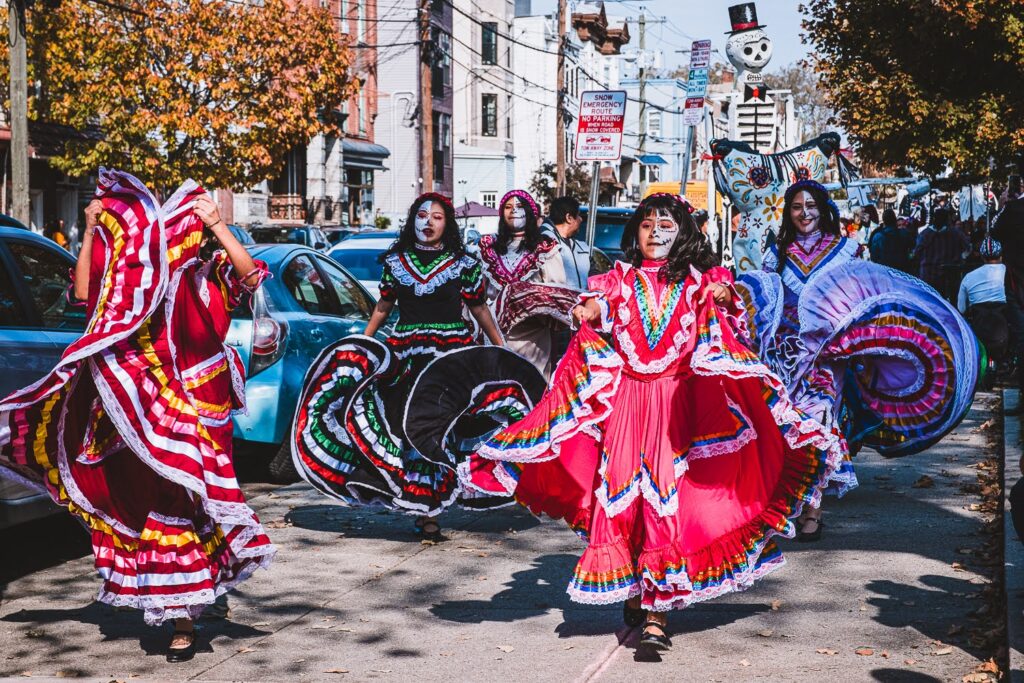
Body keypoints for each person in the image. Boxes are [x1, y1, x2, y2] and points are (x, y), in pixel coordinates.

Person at [463, 193, 843, 652]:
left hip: (677, 405)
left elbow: (731, 306)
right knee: (622, 498)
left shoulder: (700, 281)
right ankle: (637, 588)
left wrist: (726, 293)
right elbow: (601, 304)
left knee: (664, 499)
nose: (655, 231)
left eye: (665, 224)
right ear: (635, 233)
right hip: (628, 403)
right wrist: (588, 311)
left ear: (682, 232)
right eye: (646, 224)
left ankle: (657, 611)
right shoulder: (619, 278)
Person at [0, 169, 274, 662]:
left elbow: (250, 277)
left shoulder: (204, 268)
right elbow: (84, 295)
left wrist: (217, 225)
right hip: (144, 396)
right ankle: (181, 616)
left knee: (200, 501)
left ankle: (195, 591)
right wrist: (90, 230)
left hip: (202, 396)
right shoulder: (128, 268)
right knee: (163, 498)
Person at [734, 180, 979, 541]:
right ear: (788, 212)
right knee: (784, 431)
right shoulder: (778, 252)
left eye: (812, 205)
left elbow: (867, 296)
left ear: (825, 210)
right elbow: (766, 294)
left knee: (818, 423)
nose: (805, 213)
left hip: (828, 360)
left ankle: (813, 509)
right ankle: (792, 501)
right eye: (797, 206)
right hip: (786, 357)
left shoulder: (847, 250)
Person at [291, 193, 540, 542]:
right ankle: (425, 509)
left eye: (437, 217)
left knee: (444, 430)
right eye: (422, 215)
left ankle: (433, 507)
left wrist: (500, 349)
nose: (428, 222)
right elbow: (383, 306)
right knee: (409, 429)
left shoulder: (464, 264)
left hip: (451, 359)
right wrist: (365, 342)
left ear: (447, 224)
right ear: (413, 221)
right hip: (407, 356)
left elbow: (480, 308)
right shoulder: (396, 263)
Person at [478, 190, 571, 378]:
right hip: (494, 335)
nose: (513, 211)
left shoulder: (545, 249)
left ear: (530, 212)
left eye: (520, 206)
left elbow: (556, 293)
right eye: (508, 206)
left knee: (530, 391)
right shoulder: (490, 249)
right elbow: (478, 294)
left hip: (534, 339)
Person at [992, 181, 1024, 412]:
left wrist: (1002, 205)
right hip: (1015, 280)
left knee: (1022, 335)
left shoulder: (1012, 210)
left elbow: (994, 232)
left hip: (1016, 281)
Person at [958, 237, 1009, 380]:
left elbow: (961, 308)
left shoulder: (968, 277)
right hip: (1005, 328)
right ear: (1001, 255)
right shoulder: (1009, 272)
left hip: (979, 328)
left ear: (981, 257)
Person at [913, 207, 970, 301]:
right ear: (947, 219)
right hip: (949, 276)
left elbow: (917, 253)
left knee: (930, 302)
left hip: (928, 275)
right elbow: (967, 249)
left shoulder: (924, 234)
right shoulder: (955, 233)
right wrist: (961, 258)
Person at [541, 195, 591, 291]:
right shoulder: (545, 245)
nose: (581, 219)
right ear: (569, 218)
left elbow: (593, 274)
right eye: (578, 215)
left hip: (582, 304)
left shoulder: (582, 248)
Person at [869, 208, 914, 273]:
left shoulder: (877, 236)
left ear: (884, 221)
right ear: (895, 220)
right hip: (901, 272)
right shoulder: (904, 234)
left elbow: (873, 258)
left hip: (885, 272)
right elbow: (912, 250)